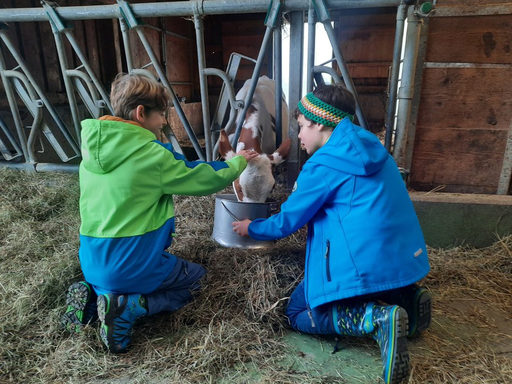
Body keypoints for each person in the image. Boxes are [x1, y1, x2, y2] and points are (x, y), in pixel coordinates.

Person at [232, 83, 432, 384]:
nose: (299, 136)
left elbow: (287, 222)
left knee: (298, 312)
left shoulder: (322, 167)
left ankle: (375, 320)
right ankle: (407, 298)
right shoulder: (373, 146)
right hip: (405, 259)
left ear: (319, 123)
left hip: (362, 264)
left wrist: (252, 228)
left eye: (301, 127)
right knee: (375, 270)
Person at [61, 73, 258, 353]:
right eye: (161, 115)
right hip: (131, 265)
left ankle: (93, 301)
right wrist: (236, 164)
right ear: (141, 113)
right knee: (197, 280)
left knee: (113, 278)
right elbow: (201, 178)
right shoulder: (153, 156)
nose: (164, 122)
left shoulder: (90, 156)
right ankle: (130, 307)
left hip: (91, 261)